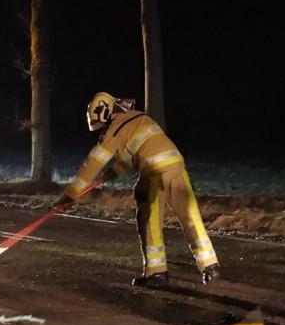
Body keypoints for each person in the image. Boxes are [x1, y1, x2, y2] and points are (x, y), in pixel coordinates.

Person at [57, 92, 219, 286]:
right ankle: (210, 265)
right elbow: (133, 154)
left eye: (102, 124)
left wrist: (69, 196)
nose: (104, 128)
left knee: (149, 219)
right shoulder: (139, 118)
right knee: (189, 214)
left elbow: (91, 165)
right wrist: (112, 174)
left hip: (154, 171)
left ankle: (157, 272)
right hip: (176, 164)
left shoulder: (114, 131)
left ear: (104, 112)